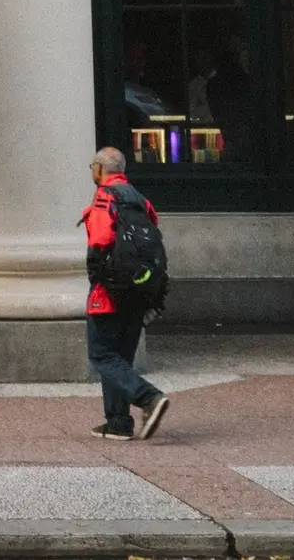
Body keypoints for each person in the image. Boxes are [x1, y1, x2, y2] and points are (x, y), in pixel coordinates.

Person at [83, 145, 171, 440]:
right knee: (120, 357)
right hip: (141, 290)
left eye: (93, 168)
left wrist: (98, 279)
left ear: (99, 169)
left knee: (102, 355)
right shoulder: (142, 201)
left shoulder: (104, 197)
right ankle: (118, 422)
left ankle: (149, 398)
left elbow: (99, 242)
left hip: (111, 292)